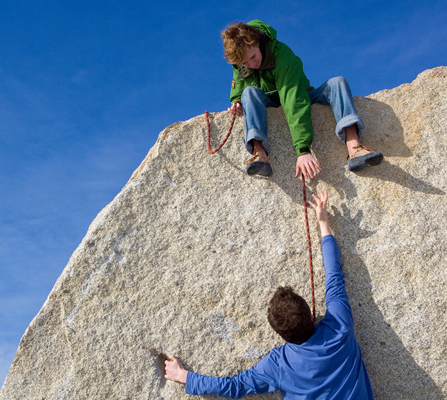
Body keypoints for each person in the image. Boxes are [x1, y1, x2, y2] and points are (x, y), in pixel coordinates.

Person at [164, 189, 374, 399]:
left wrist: (184, 376)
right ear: (310, 315)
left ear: (282, 336)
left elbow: (234, 386)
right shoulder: (339, 326)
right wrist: (324, 223)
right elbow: (334, 276)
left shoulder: (279, 365)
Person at [221, 20, 383, 178]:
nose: (251, 64)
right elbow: (239, 81)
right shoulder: (242, 62)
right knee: (248, 93)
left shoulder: (282, 56)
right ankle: (260, 154)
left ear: (258, 43)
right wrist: (236, 100)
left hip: (300, 94)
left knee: (337, 82)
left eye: (253, 57)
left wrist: (303, 150)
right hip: (270, 100)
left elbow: (293, 100)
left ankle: (354, 148)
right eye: (245, 63)